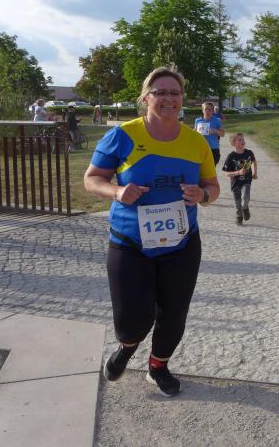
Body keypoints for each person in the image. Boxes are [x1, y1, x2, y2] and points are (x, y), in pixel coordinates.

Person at [84, 66, 220, 397]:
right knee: (132, 321)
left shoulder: (196, 142)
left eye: (175, 93)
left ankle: (158, 367)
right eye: (160, 92)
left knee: (174, 314)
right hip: (130, 242)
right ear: (146, 97)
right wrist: (117, 191)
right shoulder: (123, 136)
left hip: (182, 243)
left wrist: (202, 195)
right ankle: (127, 347)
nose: (168, 98)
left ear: (182, 99)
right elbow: (92, 179)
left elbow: (213, 187)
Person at [222, 133, 258, 226]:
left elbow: (254, 161)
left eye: (243, 139)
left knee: (246, 197)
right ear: (234, 143)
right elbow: (226, 173)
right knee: (237, 202)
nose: (243, 141)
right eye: (240, 140)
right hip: (236, 182)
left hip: (247, 180)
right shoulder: (230, 157)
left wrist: (254, 173)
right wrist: (238, 172)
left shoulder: (249, 153)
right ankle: (239, 216)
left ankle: (245, 208)